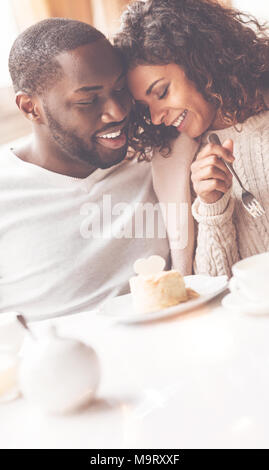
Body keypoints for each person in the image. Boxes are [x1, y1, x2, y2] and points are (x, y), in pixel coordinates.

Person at [0, 18, 171, 320]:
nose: (117, 112)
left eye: (120, 89)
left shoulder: (157, 153)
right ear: (30, 108)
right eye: (88, 101)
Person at [115, 0, 269, 277]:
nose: (156, 117)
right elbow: (209, 284)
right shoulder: (176, 161)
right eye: (144, 107)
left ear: (202, 63)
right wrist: (212, 205)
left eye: (161, 93)